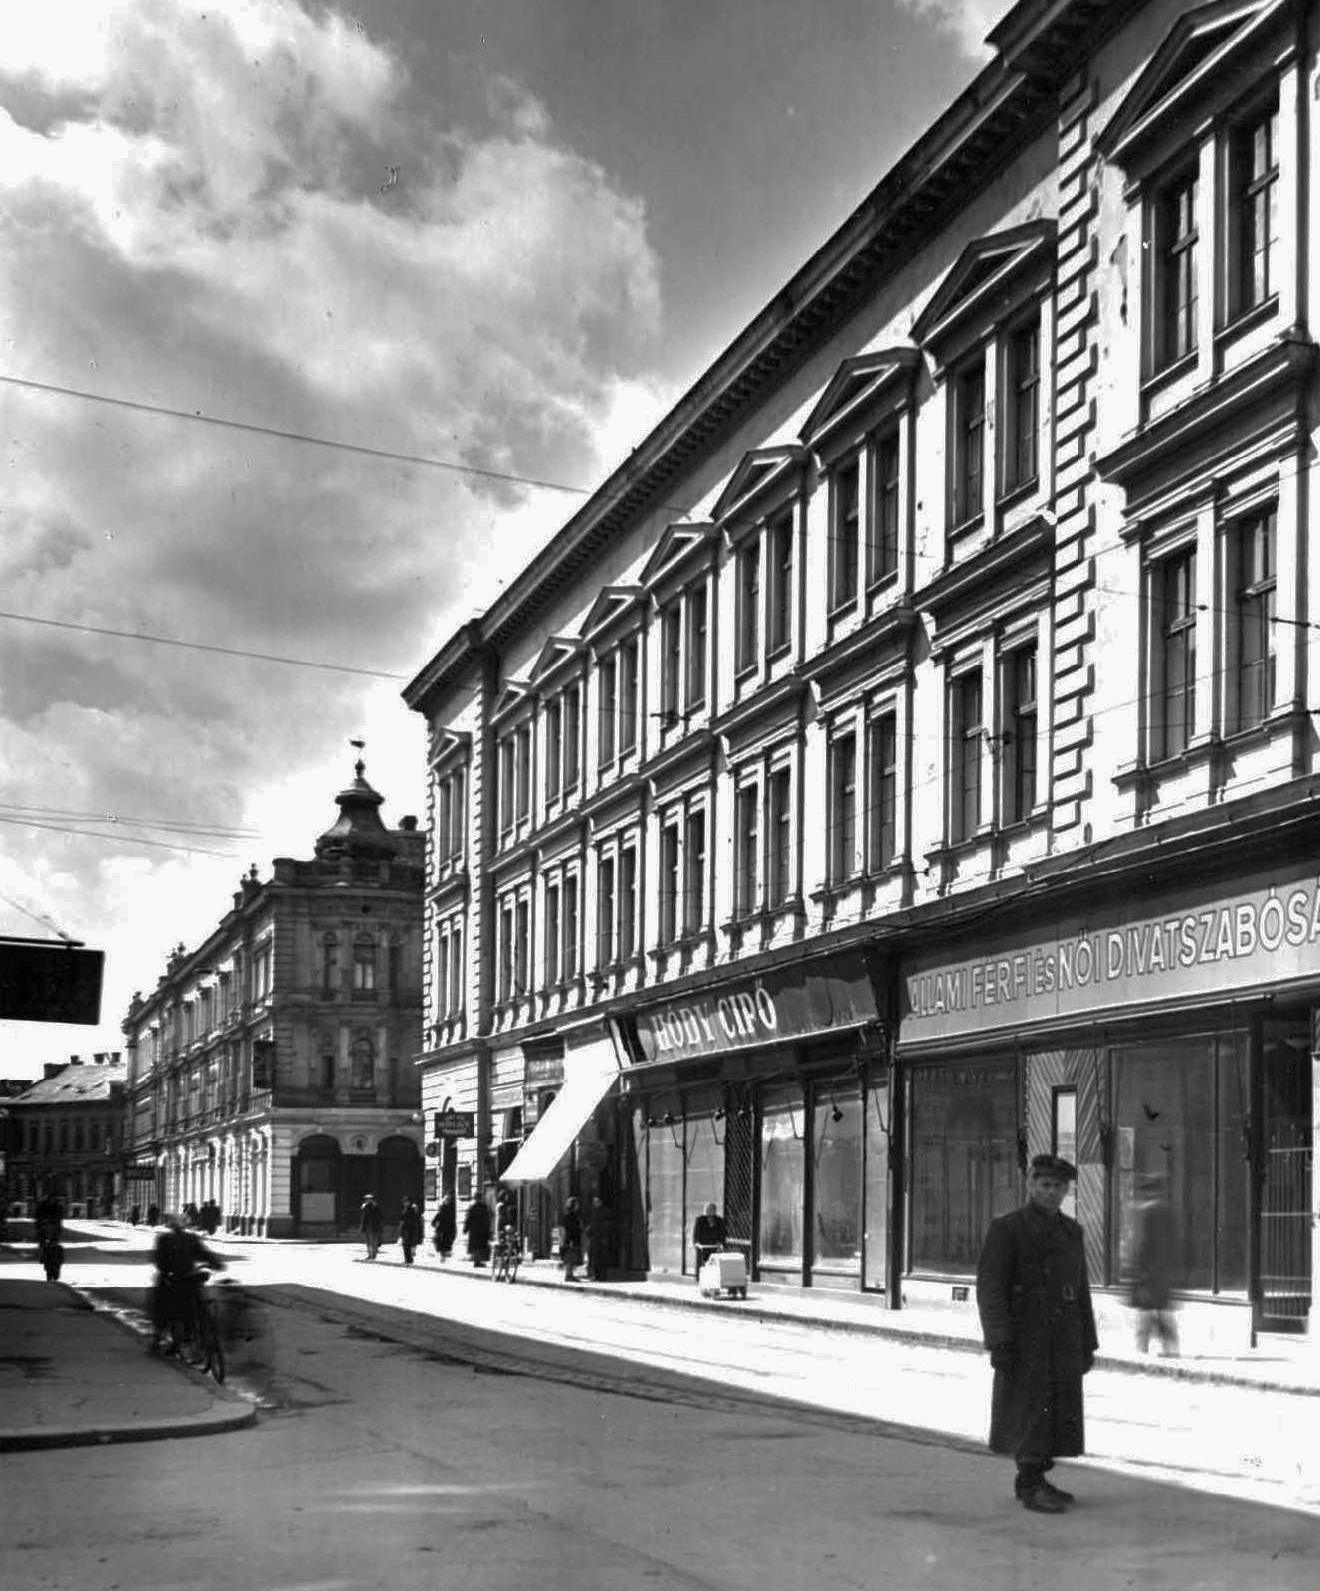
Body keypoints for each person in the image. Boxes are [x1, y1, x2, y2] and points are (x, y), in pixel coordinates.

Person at [976, 1153, 1098, 1514]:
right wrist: (998, 1339)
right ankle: (1029, 1483)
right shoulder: (1007, 1228)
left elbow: (1081, 1290)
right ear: (1031, 1184)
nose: (1052, 1193)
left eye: (1059, 1187)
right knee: (1029, 1410)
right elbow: (990, 1289)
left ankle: (1039, 1477)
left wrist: (1087, 1342)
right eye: (1045, 1185)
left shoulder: (1070, 1231)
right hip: (1023, 1336)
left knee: (1056, 1410)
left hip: (1062, 1336)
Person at [150, 1213, 226, 1353]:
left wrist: (167, 1272)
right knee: (188, 1301)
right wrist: (216, 1263)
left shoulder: (164, 1239)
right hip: (188, 1277)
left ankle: (160, 1336)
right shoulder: (190, 1238)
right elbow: (204, 1254)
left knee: (163, 1306)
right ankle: (182, 1333)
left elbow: (160, 1261)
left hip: (175, 1279)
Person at [1130, 1173, 1179, 1357]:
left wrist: (1138, 1270)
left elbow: (1142, 1242)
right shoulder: (1166, 1210)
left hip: (1148, 1269)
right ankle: (1170, 1347)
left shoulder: (1145, 1210)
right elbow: (1173, 1241)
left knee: (1147, 1311)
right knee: (1161, 1310)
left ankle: (1142, 1348)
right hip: (1163, 1270)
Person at [692, 1202, 727, 1274]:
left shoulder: (719, 1220)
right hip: (703, 1244)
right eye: (707, 1209)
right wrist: (697, 1243)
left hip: (715, 1244)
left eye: (711, 1209)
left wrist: (721, 1243)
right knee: (702, 1259)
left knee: (715, 1260)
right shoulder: (700, 1220)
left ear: (714, 1211)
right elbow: (696, 1233)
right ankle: (699, 1275)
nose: (708, 1211)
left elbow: (723, 1233)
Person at [587, 1195, 615, 1281]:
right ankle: (595, 1275)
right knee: (594, 1258)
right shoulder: (593, 1212)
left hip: (602, 1239)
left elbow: (608, 1225)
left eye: (597, 1201)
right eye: (594, 1202)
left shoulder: (605, 1212)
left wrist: (605, 1237)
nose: (595, 1203)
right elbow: (591, 1224)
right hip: (594, 1238)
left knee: (602, 1259)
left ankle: (602, 1276)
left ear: (601, 1202)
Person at [464, 1194, 492, 1267]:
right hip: (482, 1230)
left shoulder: (472, 1207)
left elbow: (468, 1219)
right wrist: (488, 1228)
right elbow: (487, 1219)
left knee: (476, 1246)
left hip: (474, 1230)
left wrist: (466, 1229)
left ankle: (477, 1261)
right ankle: (478, 1261)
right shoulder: (484, 1207)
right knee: (480, 1246)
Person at [560, 1196, 583, 1282]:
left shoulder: (568, 1215)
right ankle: (569, 1275)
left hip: (570, 1238)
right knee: (570, 1257)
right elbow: (571, 1228)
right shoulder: (571, 1216)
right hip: (571, 1239)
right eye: (576, 1204)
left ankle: (569, 1274)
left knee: (570, 1257)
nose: (578, 1206)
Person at [431, 1193, 456, 1260]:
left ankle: (443, 1255)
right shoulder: (452, 1210)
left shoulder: (442, 1210)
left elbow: (435, 1220)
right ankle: (444, 1255)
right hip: (447, 1230)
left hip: (442, 1230)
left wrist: (434, 1224)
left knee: (441, 1243)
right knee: (445, 1243)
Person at [360, 1193, 384, 1260]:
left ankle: (373, 1255)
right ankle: (369, 1254)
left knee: (374, 1242)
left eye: (368, 1199)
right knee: (368, 1242)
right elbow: (364, 1217)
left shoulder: (376, 1206)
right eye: (366, 1199)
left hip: (374, 1227)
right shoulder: (365, 1206)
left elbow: (379, 1217)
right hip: (367, 1226)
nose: (366, 1200)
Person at [399, 1198, 423, 1265]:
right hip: (407, 1229)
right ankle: (408, 1259)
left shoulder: (410, 1209)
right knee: (406, 1245)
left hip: (409, 1229)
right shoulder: (406, 1209)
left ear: (408, 1202)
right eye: (404, 1202)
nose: (404, 1203)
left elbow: (408, 1219)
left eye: (405, 1202)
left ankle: (408, 1260)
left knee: (406, 1245)